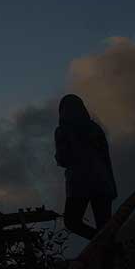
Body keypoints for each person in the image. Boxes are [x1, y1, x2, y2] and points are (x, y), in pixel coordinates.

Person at [54, 94, 117, 241]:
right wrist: (112, 186)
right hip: (103, 183)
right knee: (105, 227)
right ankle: (108, 252)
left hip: (79, 183)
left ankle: (102, 244)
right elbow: (106, 159)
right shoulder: (95, 128)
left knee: (71, 222)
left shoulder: (63, 130)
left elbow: (63, 159)